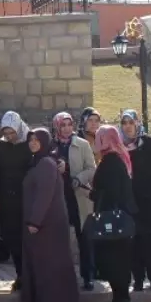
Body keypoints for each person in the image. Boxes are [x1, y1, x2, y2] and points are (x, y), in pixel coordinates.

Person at [19, 128, 80, 302]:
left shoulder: (46, 163)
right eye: (30, 140)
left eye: (37, 140)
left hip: (47, 224)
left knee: (50, 263)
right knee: (44, 262)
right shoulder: (39, 161)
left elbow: (44, 195)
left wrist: (35, 221)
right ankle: (45, 300)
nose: (33, 143)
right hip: (45, 223)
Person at [90, 125, 139, 302]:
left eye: (99, 138)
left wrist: (93, 193)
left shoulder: (109, 162)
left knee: (113, 263)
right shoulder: (120, 158)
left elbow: (108, 192)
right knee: (120, 262)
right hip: (122, 220)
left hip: (110, 222)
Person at [121, 109, 151, 292]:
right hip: (129, 201)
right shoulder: (120, 144)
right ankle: (138, 280)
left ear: (137, 123)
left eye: (131, 123)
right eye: (124, 123)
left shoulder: (148, 143)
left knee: (147, 242)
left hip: (148, 201)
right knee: (133, 243)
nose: (128, 127)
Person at [52, 111, 97, 290]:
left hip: (78, 196)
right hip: (58, 197)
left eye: (69, 124)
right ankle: (62, 276)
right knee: (59, 239)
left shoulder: (82, 144)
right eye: (62, 125)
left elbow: (91, 168)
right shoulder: (51, 145)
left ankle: (88, 276)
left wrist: (77, 176)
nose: (66, 128)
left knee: (84, 238)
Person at [0, 112, 31, 292]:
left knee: (26, 240)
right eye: (6, 133)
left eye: (12, 133)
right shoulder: (1, 146)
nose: (9, 137)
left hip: (24, 199)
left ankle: (30, 276)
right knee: (12, 240)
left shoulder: (28, 144)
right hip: (7, 201)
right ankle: (20, 275)